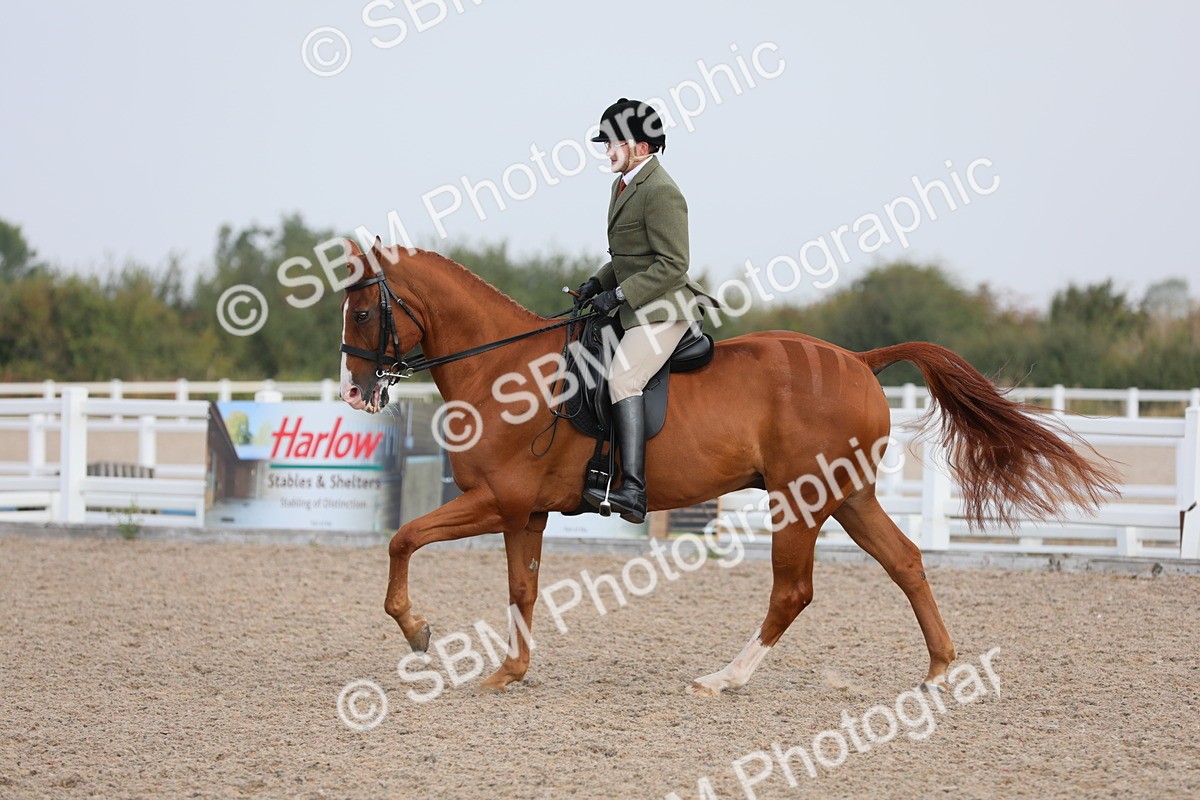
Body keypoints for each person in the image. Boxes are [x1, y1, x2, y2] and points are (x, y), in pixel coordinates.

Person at [576, 98, 719, 523]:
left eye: (613, 144)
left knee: (623, 378)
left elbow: (673, 264)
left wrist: (618, 296)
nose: (607, 152)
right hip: (634, 304)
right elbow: (629, 257)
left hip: (663, 309)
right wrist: (598, 283)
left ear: (640, 146)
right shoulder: (622, 186)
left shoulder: (662, 192)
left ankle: (634, 490)